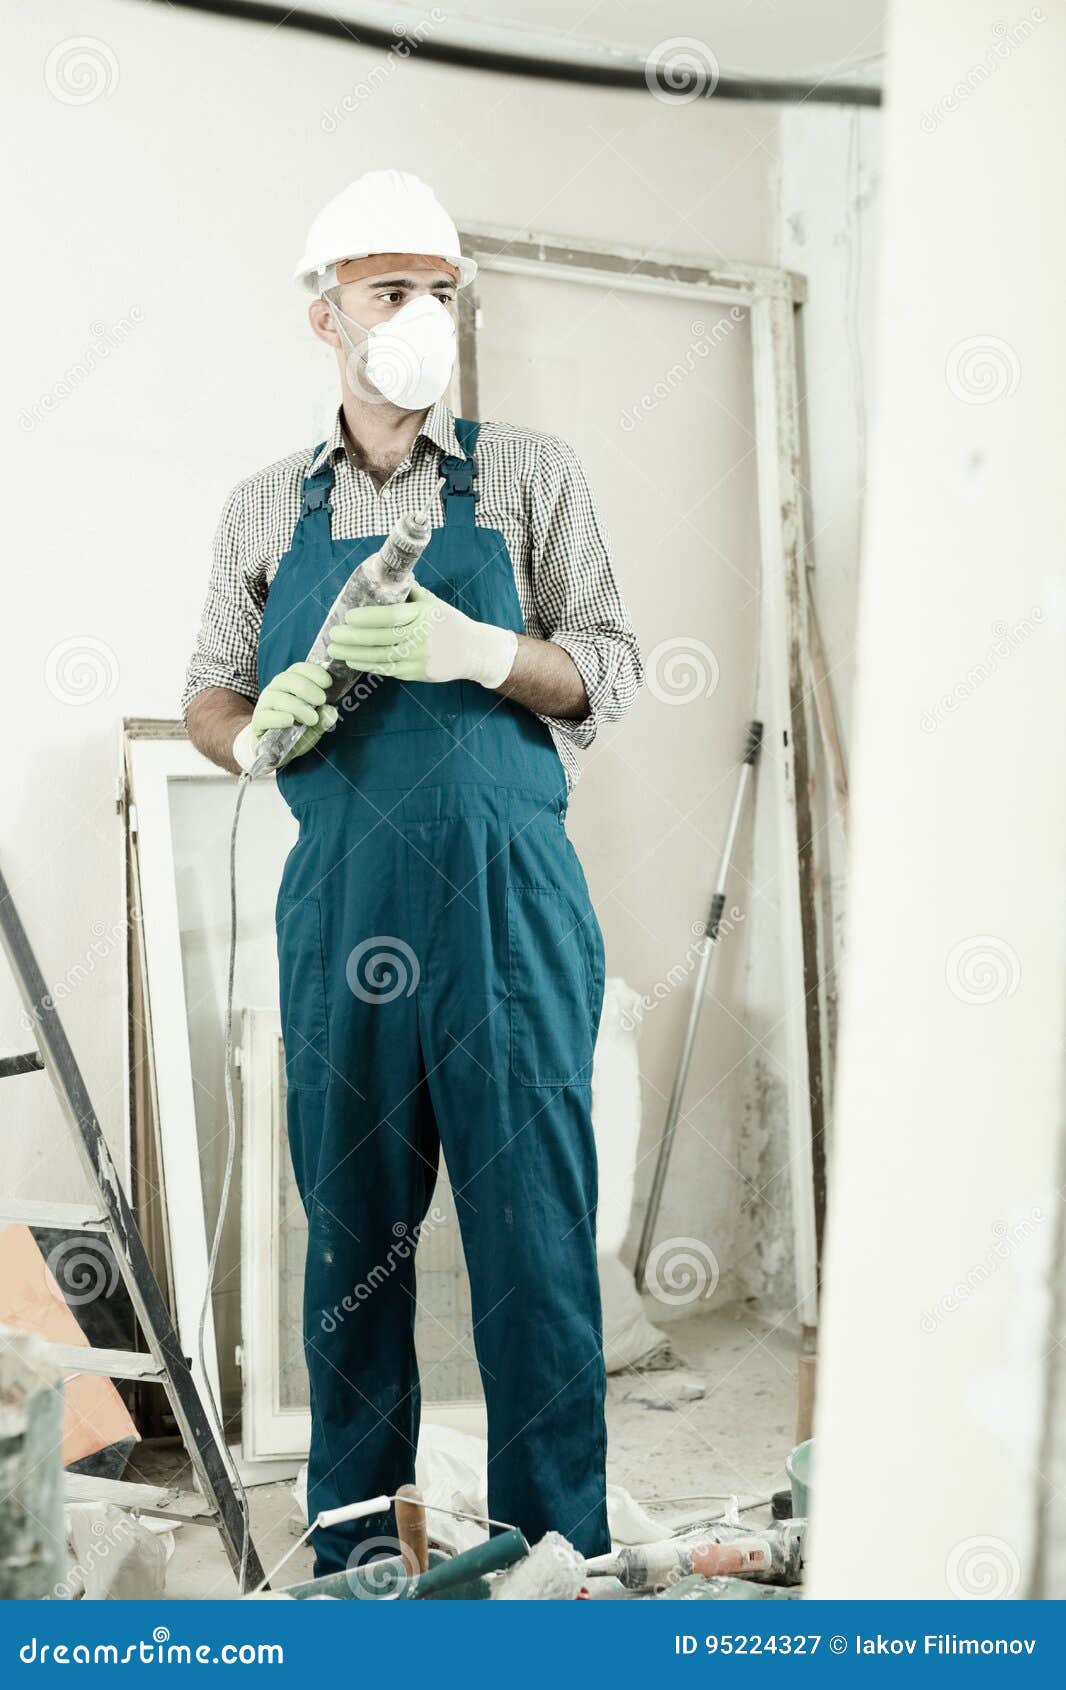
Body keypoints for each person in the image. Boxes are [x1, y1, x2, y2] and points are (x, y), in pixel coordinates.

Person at [183, 169, 642, 1573]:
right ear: (325, 317)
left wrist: (484, 651)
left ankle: (554, 1542)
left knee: (536, 1240)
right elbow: (207, 689)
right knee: (353, 1238)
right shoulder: (264, 508)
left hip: (511, 907)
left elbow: (610, 668)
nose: (421, 321)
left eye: (441, 295)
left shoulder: (529, 472)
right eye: (392, 295)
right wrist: (255, 731)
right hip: (346, 915)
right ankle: (352, 1547)